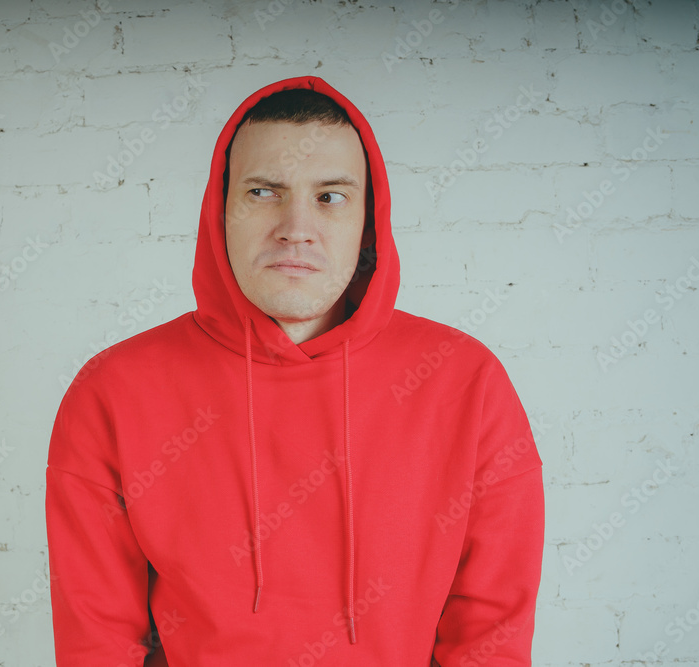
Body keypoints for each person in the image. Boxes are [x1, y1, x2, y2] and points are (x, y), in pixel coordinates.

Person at [46, 76, 544, 666]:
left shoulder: (467, 383)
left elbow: (491, 635)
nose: (296, 227)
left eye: (330, 196)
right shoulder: (113, 390)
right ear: (220, 209)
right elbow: (97, 641)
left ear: (368, 220)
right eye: (263, 192)